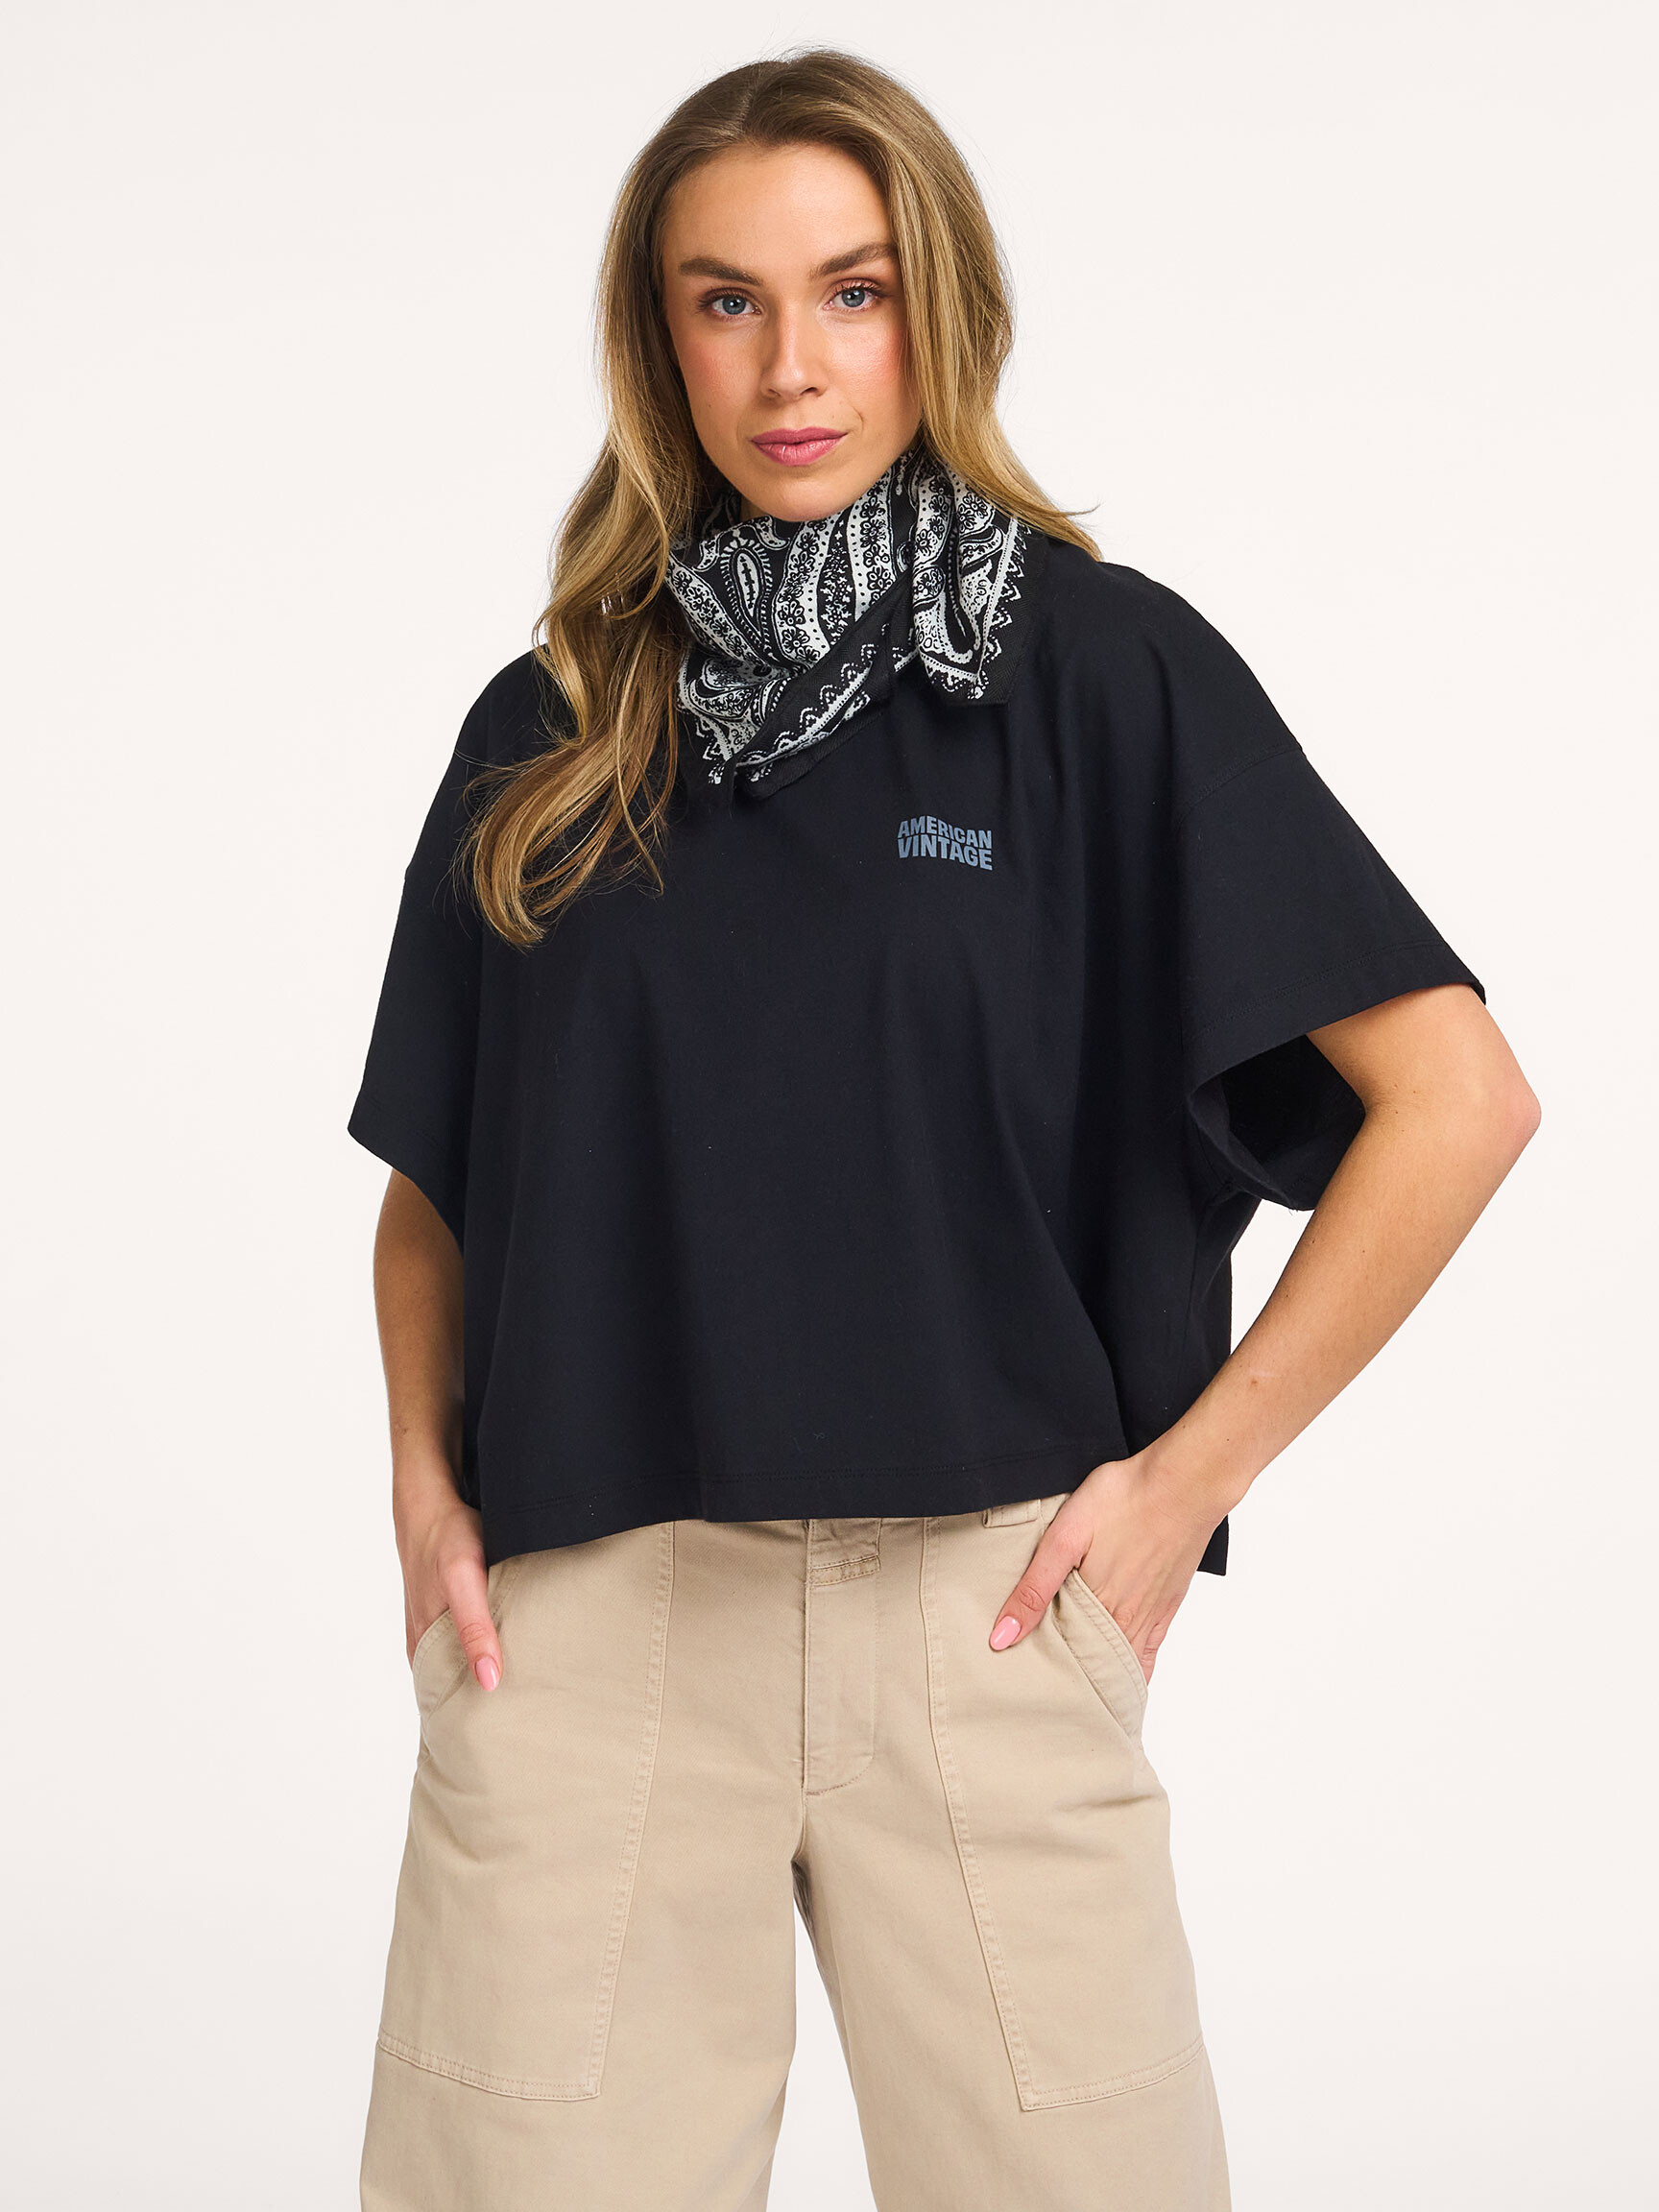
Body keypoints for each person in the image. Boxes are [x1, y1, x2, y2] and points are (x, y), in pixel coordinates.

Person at [346, 47, 1539, 2212]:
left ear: (941, 308)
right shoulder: (553, 724)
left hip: (984, 1621)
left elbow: (1457, 1097)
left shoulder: (1102, 675)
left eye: (854, 291)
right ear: (660, 339)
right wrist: (425, 1485)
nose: (791, 367)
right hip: (594, 1629)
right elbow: (441, 1176)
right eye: (726, 301)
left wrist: (1187, 1488)